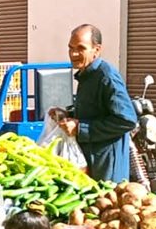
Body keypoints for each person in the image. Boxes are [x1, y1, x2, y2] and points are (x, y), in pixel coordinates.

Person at [57, 24, 136, 183]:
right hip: (91, 159)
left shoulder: (106, 77)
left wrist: (80, 128)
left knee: (107, 205)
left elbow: (127, 120)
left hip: (107, 166)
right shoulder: (86, 75)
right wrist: (68, 115)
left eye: (81, 48)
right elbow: (94, 111)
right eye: (71, 48)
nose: (74, 53)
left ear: (97, 50)